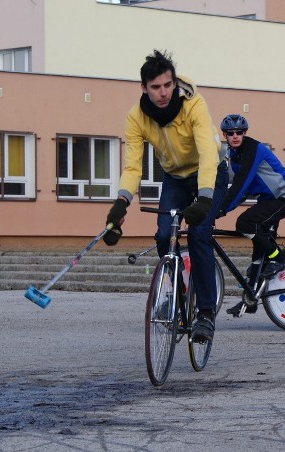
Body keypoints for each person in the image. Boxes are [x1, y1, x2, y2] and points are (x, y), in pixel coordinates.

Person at [103, 50, 228, 343]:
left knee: (198, 233)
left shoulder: (193, 103)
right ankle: (178, 297)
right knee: (163, 236)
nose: (163, 93)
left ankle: (206, 313)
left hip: (209, 172)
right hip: (174, 177)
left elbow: (209, 153)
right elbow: (133, 165)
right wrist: (121, 203)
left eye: (167, 85)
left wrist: (206, 198)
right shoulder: (136, 117)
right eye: (156, 87)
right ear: (144, 88)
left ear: (174, 83)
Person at [188, 114, 285, 317]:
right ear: (225, 135)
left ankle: (278, 258)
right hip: (268, 200)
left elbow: (241, 184)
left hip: (284, 198)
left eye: (239, 132)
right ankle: (250, 299)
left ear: (245, 133)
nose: (235, 136)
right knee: (258, 249)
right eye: (231, 133)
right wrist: (220, 209)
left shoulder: (253, 149)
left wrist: (220, 210)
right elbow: (243, 191)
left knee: (245, 223)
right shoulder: (235, 156)